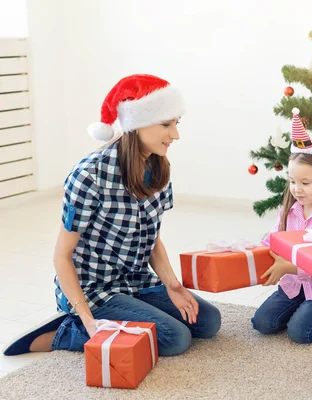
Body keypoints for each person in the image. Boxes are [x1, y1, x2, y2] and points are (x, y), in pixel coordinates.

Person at [3, 74, 221, 357]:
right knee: (175, 338)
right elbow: (62, 256)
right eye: (166, 124)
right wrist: (86, 315)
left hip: (136, 281)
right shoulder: (88, 176)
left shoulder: (158, 169)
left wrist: (173, 285)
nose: (175, 135)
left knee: (207, 321)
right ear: (136, 124)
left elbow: (152, 239)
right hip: (94, 289)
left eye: (176, 123)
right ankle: (65, 331)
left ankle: (130, 315)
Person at [251, 108, 312, 344]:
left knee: (300, 334)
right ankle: (302, 310)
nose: (297, 189)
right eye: (292, 181)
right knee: (262, 323)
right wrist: (252, 252)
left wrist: (288, 267)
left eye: (305, 183)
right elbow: (271, 241)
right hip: (293, 285)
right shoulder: (288, 211)